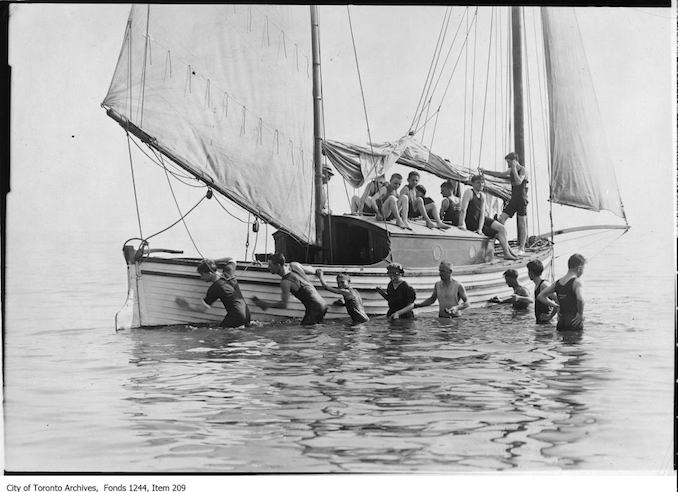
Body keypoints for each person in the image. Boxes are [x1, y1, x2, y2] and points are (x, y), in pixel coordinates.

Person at [251, 253, 327, 325]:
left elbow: (284, 304)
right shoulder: (294, 265)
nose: (268, 268)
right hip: (323, 304)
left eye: (270, 265)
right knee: (312, 332)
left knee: (305, 334)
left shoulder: (285, 282)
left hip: (314, 308)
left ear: (278, 265)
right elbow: (314, 270)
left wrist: (265, 305)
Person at [175, 258, 251, 328]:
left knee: (221, 335)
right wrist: (213, 261)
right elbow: (232, 259)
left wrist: (186, 306)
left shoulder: (214, 288)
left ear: (210, 273)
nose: (201, 278)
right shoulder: (228, 272)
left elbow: (202, 309)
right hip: (247, 314)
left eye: (202, 275)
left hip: (235, 317)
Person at [459, 174, 518, 260]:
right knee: (497, 234)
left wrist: (480, 228)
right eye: (478, 183)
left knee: (502, 228)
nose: (481, 184)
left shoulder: (482, 196)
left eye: (482, 183)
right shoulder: (469, 192)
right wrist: (462, 224)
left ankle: (509, 252)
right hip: (472, 220)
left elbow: (482, 213)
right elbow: (463, 209)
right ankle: (507, 253)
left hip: (481, 220)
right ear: (472, 183)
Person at [480, 152, 528, 255]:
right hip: (513, 199)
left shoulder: (522, 170)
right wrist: (485, 172)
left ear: (515, 161)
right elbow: (500, 174)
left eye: (509, 162)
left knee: (522, 223)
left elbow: (519, 181)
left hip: (521, 199)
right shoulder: (511, 170)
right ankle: (504, 244)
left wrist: (514, 168)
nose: (508, 165)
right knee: (501, 219)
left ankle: (522, 248)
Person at [537, 253, 586, 331]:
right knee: (576, 342)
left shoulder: (558, 283)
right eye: (583, 269)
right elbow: (580, 300)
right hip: (574, 322)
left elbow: (541, 296)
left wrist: (556, 306)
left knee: (562, 342)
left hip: (561, 322)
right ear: (579, 268)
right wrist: (580, 314)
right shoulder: (576, 282)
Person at [527, 259, 558, 324]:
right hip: (541, 323)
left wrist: (550, 316)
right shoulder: (537, 285)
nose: (528, 274)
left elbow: (558, 301)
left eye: (528, 271)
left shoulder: (544, 285)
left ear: (531, 272)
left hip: (546, 323)